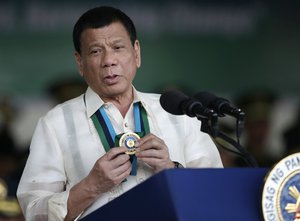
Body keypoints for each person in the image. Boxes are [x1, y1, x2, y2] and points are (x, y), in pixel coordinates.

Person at [17, 6, 223, 220]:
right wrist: (91, 186)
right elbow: (34, 211)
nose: (109, 60)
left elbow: (216, 192)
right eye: (96, 51)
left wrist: (171, 171)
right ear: (80, 62)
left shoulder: (178, 113)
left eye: (117, 47)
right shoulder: (55, 124)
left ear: (136, 53)